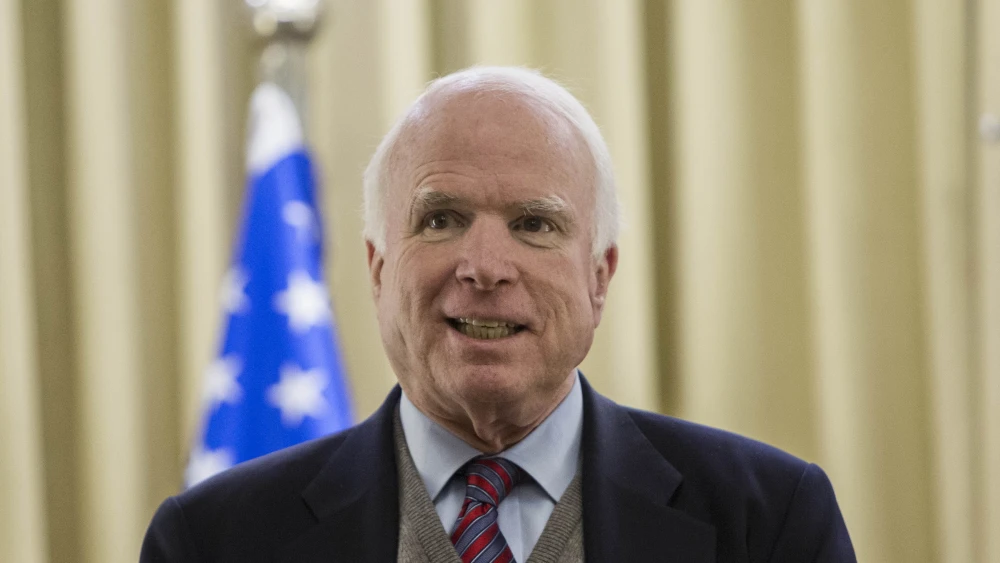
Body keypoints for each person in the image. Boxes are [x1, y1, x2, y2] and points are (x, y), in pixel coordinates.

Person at [141, 66, 855, 562]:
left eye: (534, 224)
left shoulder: (769, 521)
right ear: (379, 269)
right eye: (441, 219)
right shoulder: (212, 542)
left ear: (599, 278)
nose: (484, 266)